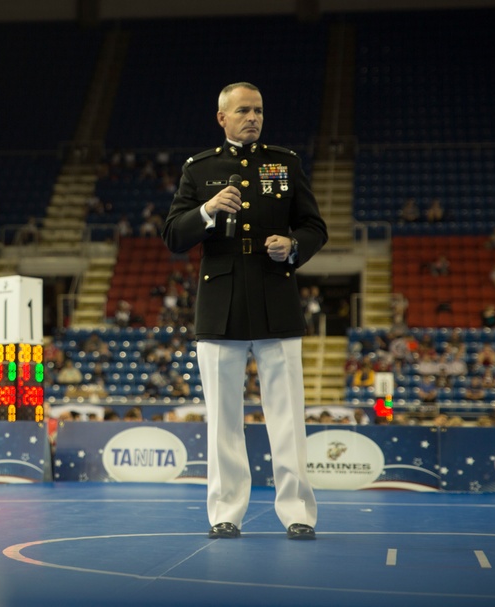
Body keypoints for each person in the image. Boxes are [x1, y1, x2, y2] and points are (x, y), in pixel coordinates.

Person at [161, 82, 327, 541]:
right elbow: (174, 235)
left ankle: (298, 512)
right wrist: (208, 209)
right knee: (223, 419)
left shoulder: (286, 162)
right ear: (222, 118)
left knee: (288, 416)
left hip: (277, 298)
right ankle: (225, 512)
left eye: (257, 110)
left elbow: (315, 226)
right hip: (221, 305)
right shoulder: (200, 168)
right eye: (242, 111)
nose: (252, 118)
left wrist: (294, 246)